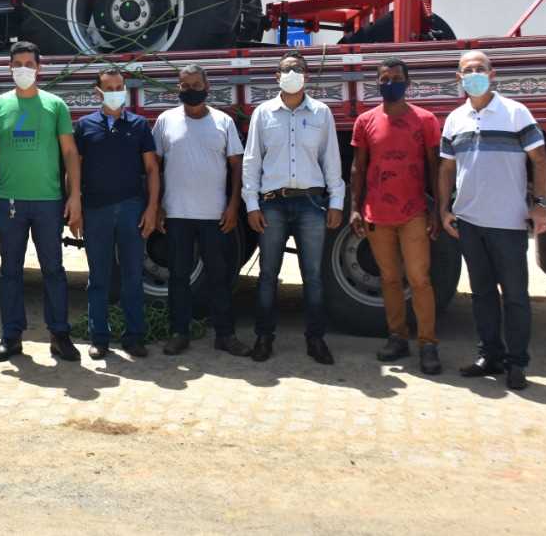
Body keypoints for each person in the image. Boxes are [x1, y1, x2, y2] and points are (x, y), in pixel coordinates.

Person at [439, 50, 546, 391]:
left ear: (492, 73)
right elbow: (445, 168)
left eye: (479, 68)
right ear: (458, 79)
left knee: (515, 295)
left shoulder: (516, 112)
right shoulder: (454, 119)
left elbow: (540, 159)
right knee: (482, 293)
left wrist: (540, 205)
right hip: (469, 221)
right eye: (467, 70)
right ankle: (490, 355)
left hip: (508, 222)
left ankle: (517, 363)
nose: (473, 74)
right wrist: (444, 209)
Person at [0, 41, 83, 362]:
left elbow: (70, 153)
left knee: (54, 270)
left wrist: (74, 196)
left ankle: (59, 334)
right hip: (9, 203)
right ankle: (11, 336)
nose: (24, 69)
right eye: (18, 63)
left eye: (29, 63)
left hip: (49, 202)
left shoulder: (55, 105)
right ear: (10, 68)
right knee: (10, 271)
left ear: (40, 68)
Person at [242, 51, 344, 364]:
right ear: (276, 77)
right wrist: (251, 203)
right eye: (286, 69)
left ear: (307, 76)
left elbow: (331, 159)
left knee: (312, 276)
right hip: (272, 204)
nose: (292, 73)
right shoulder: (263, 113)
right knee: (268, 274)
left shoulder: (321, 113)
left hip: (311, 204)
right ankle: (263, 337)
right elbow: (251, 160)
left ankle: (315, 339)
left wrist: (336, 201)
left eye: (298, 69)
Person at [349, 58, 443, 375]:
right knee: (389, 280)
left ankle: (428, 344)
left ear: (408, 82)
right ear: (377, 83)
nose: (391, 82)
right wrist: (354, 208)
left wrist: (437, 208)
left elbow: (434, 166)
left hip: (414, 212)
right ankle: (397, 338)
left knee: (419, 279)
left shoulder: (426, 120)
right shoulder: (365, 121)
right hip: (377, 214)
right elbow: (358, 167)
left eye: (397, 77)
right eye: (385, 78)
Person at [152, 64, 251, 357]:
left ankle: (225, 334)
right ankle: (178, 332)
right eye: (185, 86)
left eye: (196, 85)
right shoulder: (165, 121)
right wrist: (156, 206)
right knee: (179, 277)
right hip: (177, 214)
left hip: (215, 216)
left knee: (219, 278)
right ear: (178, 88)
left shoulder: (223, 122)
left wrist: (234, 205)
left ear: (207, 87)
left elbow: (237, 167)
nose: (191, 91)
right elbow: (154, 167)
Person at [74, 66, 161, 359]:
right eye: (109, 88)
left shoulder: (138, 125)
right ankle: (99, 337)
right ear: (97, 92)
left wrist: (152, 208)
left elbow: (151, 169)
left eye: (119, 86)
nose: (115, 92)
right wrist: (75, 204)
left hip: (131, 209)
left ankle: (134, 336)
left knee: (133, 276)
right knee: (99, 276)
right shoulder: (84, 126)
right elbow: (75, 169)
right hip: (95, 210)